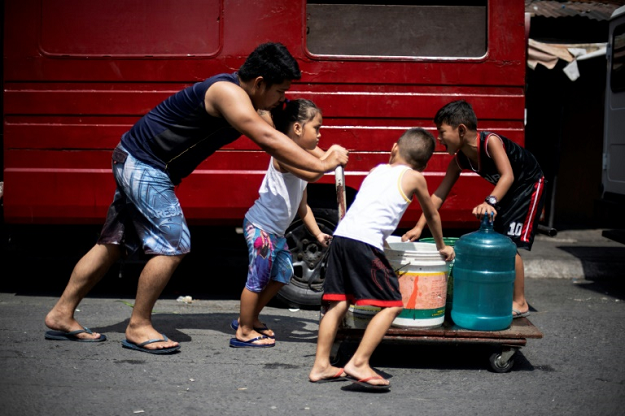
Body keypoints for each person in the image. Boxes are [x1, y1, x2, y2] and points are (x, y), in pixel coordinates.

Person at [43, 42, 349, 354]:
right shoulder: (226, 93)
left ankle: (62, 314)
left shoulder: (255, 102)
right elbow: (268, 139)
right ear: (260, 83)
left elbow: (284, 140)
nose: (283, 99)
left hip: (136, 160)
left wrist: (325, 155)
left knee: (112, 244)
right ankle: (138, 326)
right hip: (144, 164)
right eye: (281, 91)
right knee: (173, 243)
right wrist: (324, 164)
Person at [308, 128, 455, 391]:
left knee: (338, 303)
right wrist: (442, 246)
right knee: (392, 304)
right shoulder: (415, 177)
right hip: (364, 244)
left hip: (341, 237)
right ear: (424, 162)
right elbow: (432, 215)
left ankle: (320, 365)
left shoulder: (376, 170)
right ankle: (360, 362)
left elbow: (372, 208)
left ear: (395, 148)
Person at [403, 100, 545, 319]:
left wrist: (490, 201)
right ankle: (502, 295)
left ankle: (520, 302)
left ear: (461, 130)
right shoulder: (460, 159)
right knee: (496, 239)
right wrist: (419, 227)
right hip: (509, 190)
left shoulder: (491, 142)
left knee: (508, 244)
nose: (438, 139)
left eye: (442, 132)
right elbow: (438, 195)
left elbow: (508, 176)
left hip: (529, 185)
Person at [230, 99, 346, 348]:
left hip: (275, 232)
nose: (320, 133)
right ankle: (244, 330)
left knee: (283, 274)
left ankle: (248, 317)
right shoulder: (283, 154)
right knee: (257, 279)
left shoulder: (301, 153)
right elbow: (315, 171)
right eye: (316, 127)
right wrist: (330, 157)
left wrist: (317, 234)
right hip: (261, 227)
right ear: (296, 129)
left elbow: (302, 206)